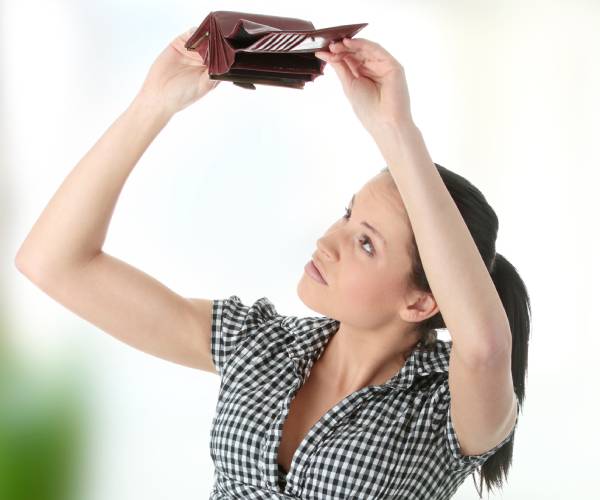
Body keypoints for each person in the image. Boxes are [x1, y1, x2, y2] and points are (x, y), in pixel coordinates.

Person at [15, 26, 530, 499]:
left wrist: (395, 131)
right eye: (347, 217)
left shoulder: (446, 409)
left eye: (367, 243)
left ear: (421, 299)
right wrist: (153, 105)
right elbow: (54, 262)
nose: (328, 241)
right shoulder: (258, 344)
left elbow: (484, 346)